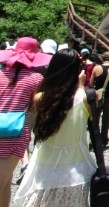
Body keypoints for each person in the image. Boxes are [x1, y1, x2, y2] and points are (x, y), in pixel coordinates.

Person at [15, 49, 97, 207]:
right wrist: (80, 86)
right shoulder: (86, 97)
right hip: (77, 168)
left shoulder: (40, 98)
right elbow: (91, 120)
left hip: (45, 167)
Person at [0, 38, 46, 207]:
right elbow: (35, 107)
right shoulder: (36, 78)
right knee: (4, 183)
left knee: (4, 184)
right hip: (16, 133)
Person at [92, 53, 109, 147]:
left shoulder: (96, 68)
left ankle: (95, 139)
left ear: (102, 58)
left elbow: (91, 84)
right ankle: (104, 139)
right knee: (106, 120)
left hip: (97, 96)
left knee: (95, 118)